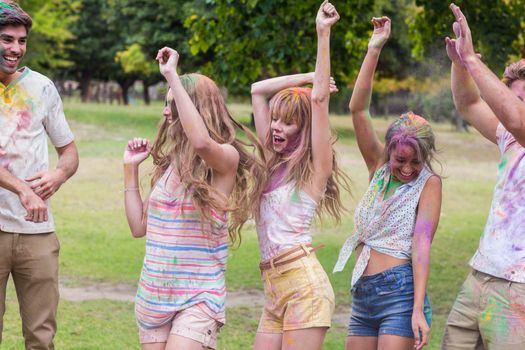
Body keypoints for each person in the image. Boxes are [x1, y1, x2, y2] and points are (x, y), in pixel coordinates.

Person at [123, 46, 264, 350]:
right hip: (153, 293)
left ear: (196, 108)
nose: (165, 112)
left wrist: (171, 74)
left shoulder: (225, 159)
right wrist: (129, 169)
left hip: (198, 296)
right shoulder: (168, 166)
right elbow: (138, 226)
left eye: (172, 104)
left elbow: (200, 142)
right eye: (166, 103)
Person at [333, 16, 442, 350]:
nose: (407, 168)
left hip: (399, 292)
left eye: (415, 161)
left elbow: (421, 245)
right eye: (400, 160)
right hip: (363, 294)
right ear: (389, 151)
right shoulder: (378, 167)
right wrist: (374, 48)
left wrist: (417, 309)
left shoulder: (430, 184)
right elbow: (358, 109)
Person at [250, 2, 349, 349]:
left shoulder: (314, 170)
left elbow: (319, 102)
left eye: (287, 121)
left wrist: (323, 34)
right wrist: (307, 78)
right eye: (274, 119)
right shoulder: (269, 160)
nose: (275, 127)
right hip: (274, 288)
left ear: (303, 129)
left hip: (304, 286)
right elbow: (257, 90)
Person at [442, 4, 525, 349]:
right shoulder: (508, 136)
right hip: (480, 274)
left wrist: (474, 60)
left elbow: (519, 120)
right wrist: (461, 62)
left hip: (518, 287)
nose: (516, 105)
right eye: (516, 97)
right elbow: (468, 103)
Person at [0, 1, 79, 349]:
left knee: (41, 338)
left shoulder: (42, 87)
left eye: (21, 40)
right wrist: (21, 188)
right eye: (6, 39)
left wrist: (59, 175)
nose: (15, 48)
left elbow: (70, 152)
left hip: (36, 231)